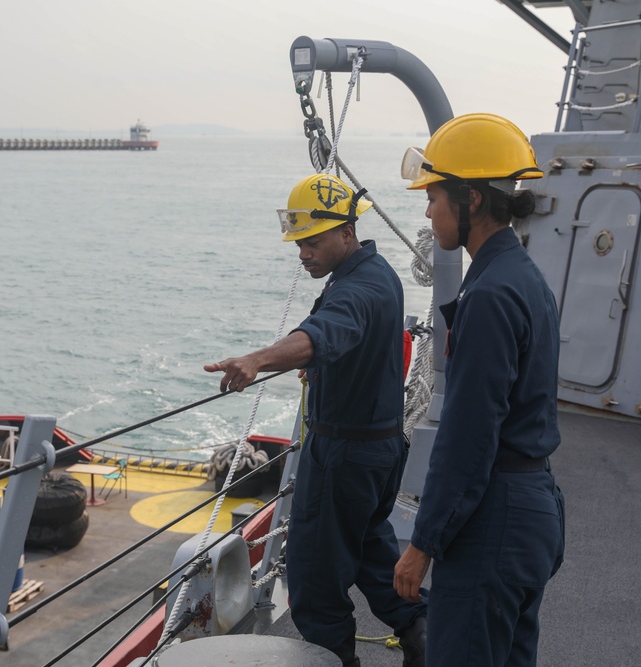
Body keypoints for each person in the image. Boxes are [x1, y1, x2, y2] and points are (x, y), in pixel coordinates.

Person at [204, 173, 427, 667]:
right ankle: (421, 635)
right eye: (300, 242)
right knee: (371, 550)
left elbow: (324, 333)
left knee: (313, 576)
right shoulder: (377, 274)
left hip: (345, 454)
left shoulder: (356, 291)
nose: (303, 252)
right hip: (379, 447)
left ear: (347, 232)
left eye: (315, 240)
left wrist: (258, 360)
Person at [392, 113, 565, 666]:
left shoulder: (489, 295)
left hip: (496, 520)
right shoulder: (523, 276)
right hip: (529, 507)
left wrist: (422, 546)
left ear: (470, 200)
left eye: (435, 196)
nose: (427, 210)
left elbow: (468, 438)